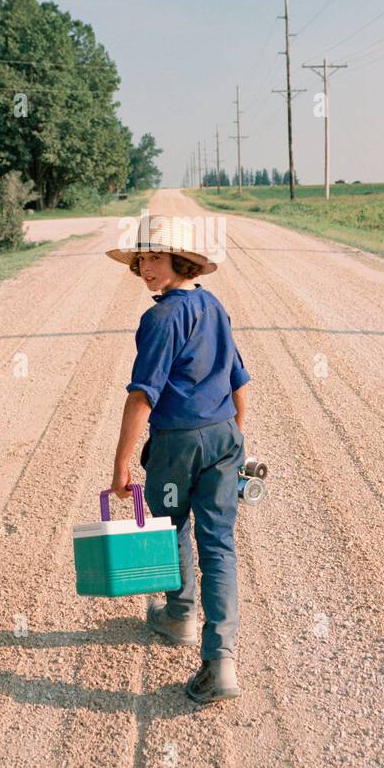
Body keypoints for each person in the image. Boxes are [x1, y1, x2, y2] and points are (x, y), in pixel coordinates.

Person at [107, 215, 250, 704]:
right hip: (223, 437)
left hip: (178, 442)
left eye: (155, 257)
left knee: (172, 529)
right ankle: (220, 661)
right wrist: (232, 439)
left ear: (180, 260)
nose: (146, 267)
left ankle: (181, 614)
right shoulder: (213, 307)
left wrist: (121, 464)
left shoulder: (160, 318)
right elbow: (239, 382)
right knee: (219, 544)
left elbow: (142, 396)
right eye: (141, 259)